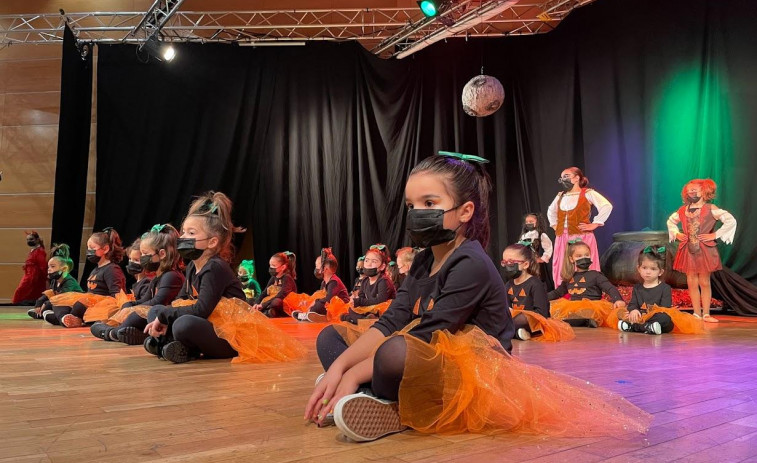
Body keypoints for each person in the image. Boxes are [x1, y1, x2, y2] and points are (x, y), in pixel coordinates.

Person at [306, 153, 649, 442]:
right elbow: (394, 318)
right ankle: (372, 395)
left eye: (429, 203)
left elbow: (430, 332)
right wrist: (340, 367)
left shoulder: (470, 261)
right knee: (331, 338)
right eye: (411, 204)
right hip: (432, 350)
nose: (416, 213)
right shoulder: (425, 258)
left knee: (396, 351)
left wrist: (351, 374)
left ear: (465, 211)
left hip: (473, 367)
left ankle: (389, 404)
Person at [667, 179, 736, 323]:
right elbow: (671, 221)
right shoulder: (682, 210)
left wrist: (714, 234)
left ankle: (706, 313)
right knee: (691, 281)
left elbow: (730, 220)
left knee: (704, 281)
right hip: (688, 249)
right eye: (689, 190)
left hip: (705, 250)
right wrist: (677, 233)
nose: (691, 192)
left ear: (705, 192)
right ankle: (696, 313)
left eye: (695, 190)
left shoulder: (710, 208)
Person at [547, 167, 612, 286]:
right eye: (562, 177)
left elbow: (606, 206)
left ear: (577, 178)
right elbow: (551, 211)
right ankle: (564, 292)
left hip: (582, 236)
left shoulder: (588, 193)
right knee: (563, 263)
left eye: (566, 176)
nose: (563, 179)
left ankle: (589, 290)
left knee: (583, 263)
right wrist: (555, 225)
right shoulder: (561, 196)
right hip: (563, 238)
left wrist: (595, 223)